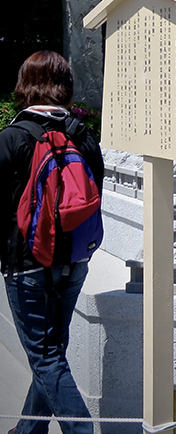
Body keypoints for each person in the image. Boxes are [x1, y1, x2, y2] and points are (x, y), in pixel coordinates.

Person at [0, 51, 103, 434]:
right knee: (52, 354)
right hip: (75, 261)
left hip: (26, 262)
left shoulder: (12, 138)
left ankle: (80, 430)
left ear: (25, 85)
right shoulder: (84, 137)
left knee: (44, 358)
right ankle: (28, 431)